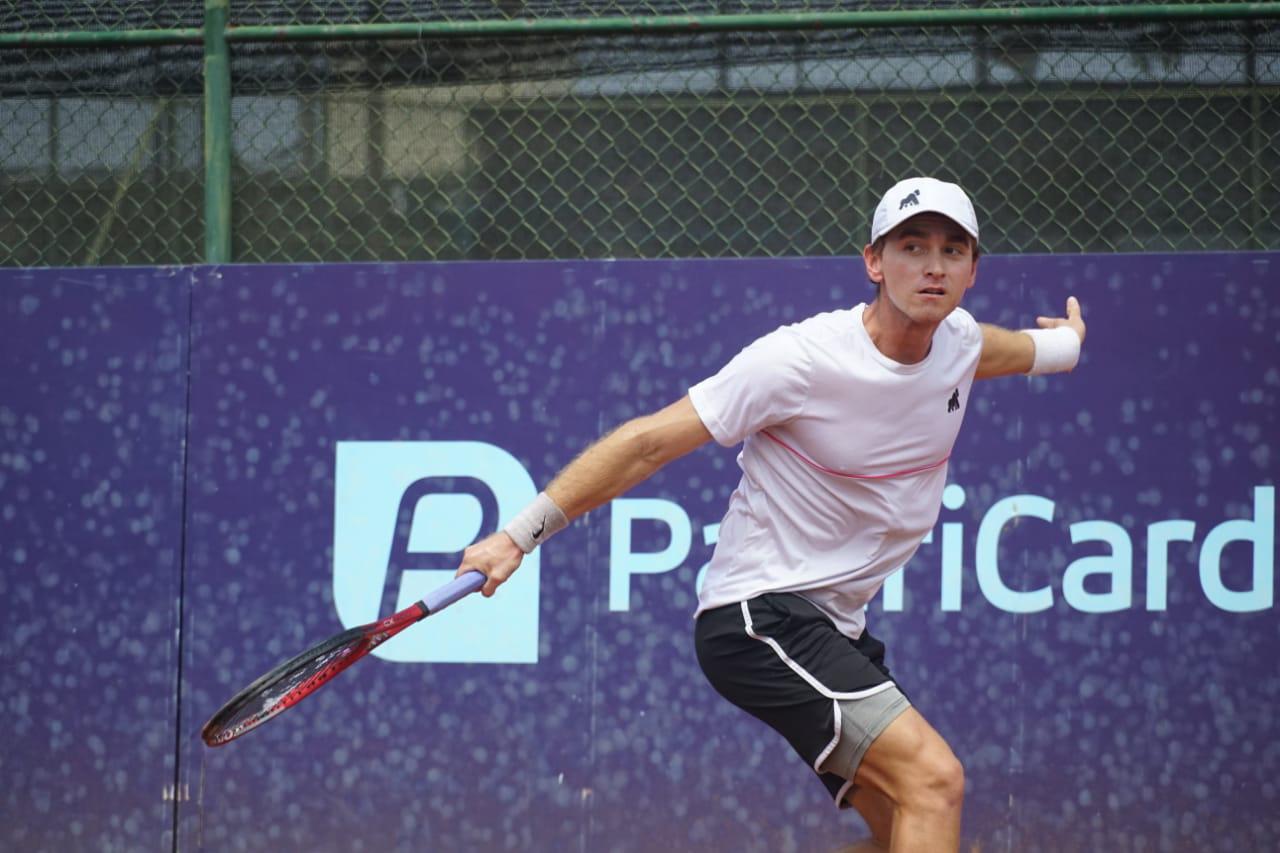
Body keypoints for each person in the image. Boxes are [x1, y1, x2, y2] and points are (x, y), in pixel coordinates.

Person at [456, 176, 1086, 852]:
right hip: (757, 615)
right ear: (873, 262)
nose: (932, 265)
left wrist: (1066, 346)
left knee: (907, 824)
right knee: (935, 781)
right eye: (911, 246)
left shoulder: (958, 339)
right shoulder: (800, 360)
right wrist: (516, 537)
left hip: (834, 625)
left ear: (971, 272)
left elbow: (999, 351)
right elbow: (646, 444)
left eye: (951, 250)